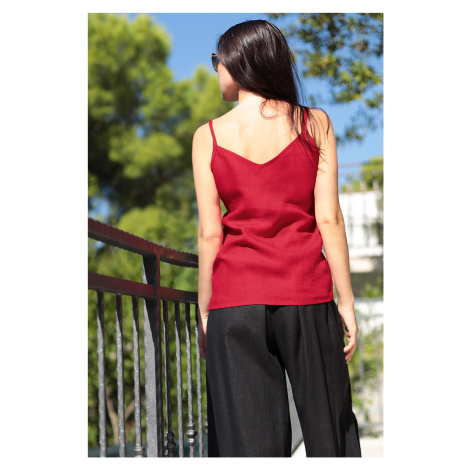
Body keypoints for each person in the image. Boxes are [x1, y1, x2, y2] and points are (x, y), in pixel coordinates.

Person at [192, 19, 362, 458]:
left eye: (216, 60)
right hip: (306, 293)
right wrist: (345, 303)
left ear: (237, 62)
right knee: (331, 434)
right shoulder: (314, 123)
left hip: (235, 300)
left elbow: (210, 233)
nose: (216, 69)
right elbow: (330, 219)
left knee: (247, 447)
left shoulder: (208, 137)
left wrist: (206, 309)